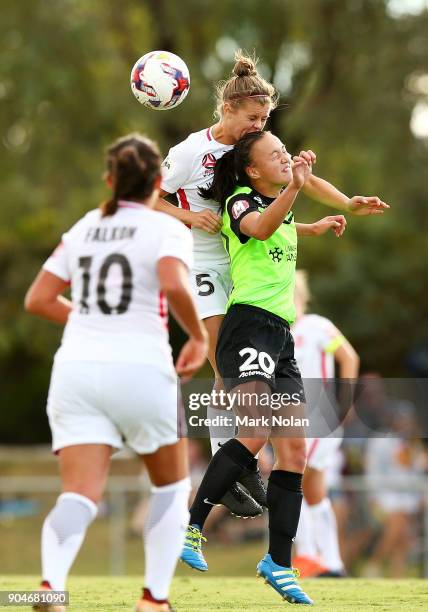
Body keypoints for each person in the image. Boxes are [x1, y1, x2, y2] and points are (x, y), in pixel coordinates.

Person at [156, 50, 389, 517]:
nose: (258, 125)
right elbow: (144, 198)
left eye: (264, 117)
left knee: (233, 370)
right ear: (227, 111)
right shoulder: (188, 154)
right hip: (201, 260)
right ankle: (237, 466)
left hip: (241, 261)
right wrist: (186, 215)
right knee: (221, 359)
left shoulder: (256, 148)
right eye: (252, 117)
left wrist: (347, 204)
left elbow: (297, 183)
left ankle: (236, 461)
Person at [24, 133, 208, 612]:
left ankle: (50, 589)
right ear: (160, 181)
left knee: (79, 496)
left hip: (76, 372)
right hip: (142, 368)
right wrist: (199, 336)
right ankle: (153, 600)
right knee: (171, 487)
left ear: (110, 180)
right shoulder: (167, 229)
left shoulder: (84, 226)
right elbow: (172, 281)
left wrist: (90, 318)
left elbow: (38, 299)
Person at [178, 129, 354, 605]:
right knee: (254, 432)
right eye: (274, 154)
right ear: (252, 170)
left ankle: (278, 562)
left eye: (285, 151)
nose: (285, 157)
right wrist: (296, 187)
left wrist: (314, 224)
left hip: (281, 335)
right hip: (249, 325)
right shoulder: (238, 199)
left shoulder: (283, 205)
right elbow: (256, 228)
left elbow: (278, 228)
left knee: (293, 452)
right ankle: (192, 527)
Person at [292, 270, 360, 578]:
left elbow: (349, 357)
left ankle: (308, 556)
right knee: (311, 489)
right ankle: (331, 562)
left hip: (320, 418)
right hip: (292, 423)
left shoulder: (317, 326)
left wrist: (344, 404)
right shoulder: (276, 332)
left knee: (294, 478)